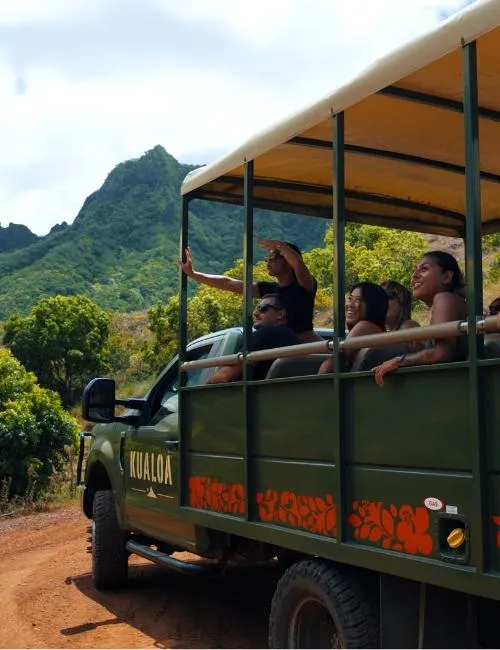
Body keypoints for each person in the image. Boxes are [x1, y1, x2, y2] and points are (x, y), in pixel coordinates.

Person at [178, 238, 318, 342]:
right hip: (284, 349)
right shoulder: (269, 290)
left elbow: (298, 262)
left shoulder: (304, 286)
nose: (268, 261)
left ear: (288, 262)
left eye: (273, 257)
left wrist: (279, 245)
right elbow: (229, 283)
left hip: (306, 348)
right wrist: (193, 274)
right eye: (267, 258)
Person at [373, 251, 467, 387]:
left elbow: (442, 353)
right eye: (414, 270)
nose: (414, 276)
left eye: (424, 269)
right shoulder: (450, 302)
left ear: (446, 276)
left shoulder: (444, 298)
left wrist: (399, 361)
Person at [206, 293, 300, 383]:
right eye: (257, 308)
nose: (255, 313)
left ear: (280, 314)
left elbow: (224, 376)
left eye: (263, 309)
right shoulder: (295, 341)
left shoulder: (264, 334)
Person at [318, 282, 388, 374]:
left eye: (358, 300)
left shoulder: (365, 326)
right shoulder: (376, 329)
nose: (350, 304)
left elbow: (331, 364)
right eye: (350, 299)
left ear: (372, 305)